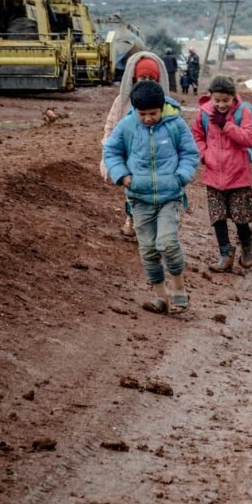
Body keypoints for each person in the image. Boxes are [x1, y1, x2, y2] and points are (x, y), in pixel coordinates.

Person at [103, 80, 200, 314]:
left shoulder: (175, 124)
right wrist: (122, 176)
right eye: (142, 114)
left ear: (162, 107)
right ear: (135, 110)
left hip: (170, 197)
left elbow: (190, 153)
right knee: (147, 249)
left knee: (166, 242)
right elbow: (111, 151)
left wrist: (181, 176)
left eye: (153, 113)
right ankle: (160, 297)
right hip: (139, 199)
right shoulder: (127, 126)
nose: (147, 118)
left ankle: (178, 291)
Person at [192, 76, 252, 272]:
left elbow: (250, 138)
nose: (221, 104)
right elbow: (197, 135)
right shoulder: (204, 113)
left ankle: (248, 243)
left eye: (225, 100)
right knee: (218, 217)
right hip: (213, 174)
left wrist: (226, 126)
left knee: (240, 217)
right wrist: (204, 154)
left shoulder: (243, 112)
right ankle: (225, 254)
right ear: (211, 97)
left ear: (233, 97)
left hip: (238, 174)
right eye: (217, 100)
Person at [100, 51, 168, 237]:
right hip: (130, 155)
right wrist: (108, 152)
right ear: (134, 77)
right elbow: (111, 126)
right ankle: (131, 220)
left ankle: (148, 224)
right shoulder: (122, 102)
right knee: (132, 191)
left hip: (154, 155)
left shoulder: (165, 104)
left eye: (151, 78)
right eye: (142, 77)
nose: (146, 81)